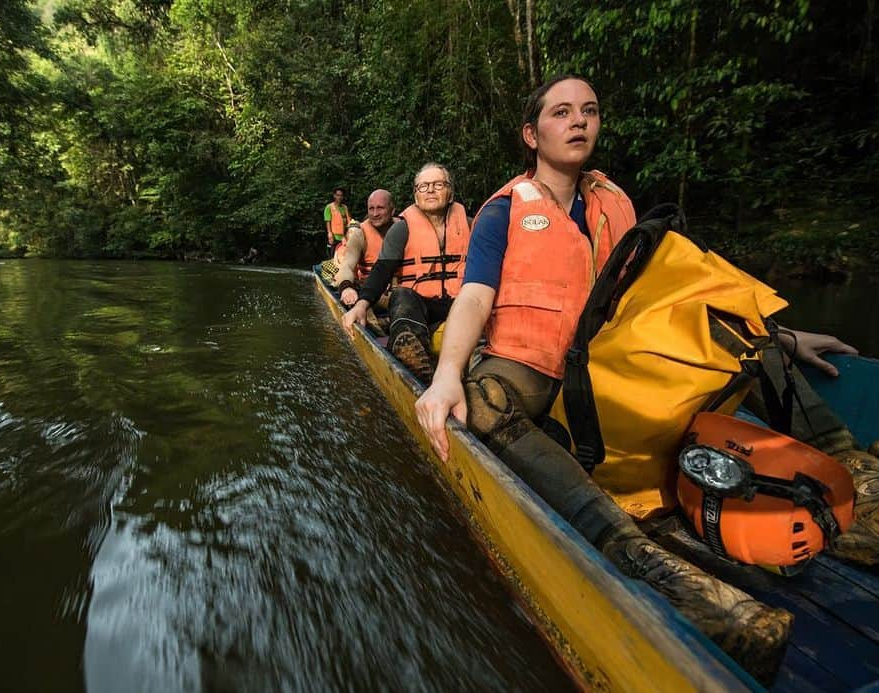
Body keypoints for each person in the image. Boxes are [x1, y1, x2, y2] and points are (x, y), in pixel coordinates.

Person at [414, 75, 796, 681]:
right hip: (532, 362)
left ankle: (877, 500)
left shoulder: (617, 203)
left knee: (768, 346)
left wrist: (782, 332)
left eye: (588, 111)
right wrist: (447, 375)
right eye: (561, 112)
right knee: (481, 404)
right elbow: (475, 295)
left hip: (614, 361)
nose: (578, 121)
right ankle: (637, 555)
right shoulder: (506, 208)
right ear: (531, 133)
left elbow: (677, 286)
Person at [342, 164, 472, 383]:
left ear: (450, 193)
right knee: (401, 295)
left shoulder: (470, 225)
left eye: (438, 184)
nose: (430, 190)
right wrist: (361, 305)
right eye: (423, 186)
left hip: (461, 304)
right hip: (420, 306)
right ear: (415, 195)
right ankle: (409, 347)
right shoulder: (402, 229)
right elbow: (381, 271)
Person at [332, 189, 397, 306]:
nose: (375, 213)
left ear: (392, 211)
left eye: (380, 208)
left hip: (399, 295)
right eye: (371, 209)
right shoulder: (359, 234)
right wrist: (346, 287)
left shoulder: (404, 230)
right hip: (369, 294)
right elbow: (347, 265)